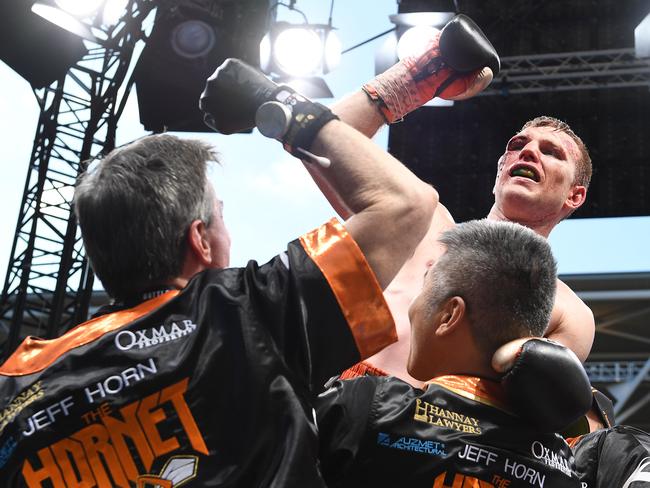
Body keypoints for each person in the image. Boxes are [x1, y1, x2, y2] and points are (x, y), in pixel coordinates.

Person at [0, 47, 498, 485]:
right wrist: (281, 103)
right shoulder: (244, 313)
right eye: (220, 216)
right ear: (200, 240)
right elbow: (404, 204)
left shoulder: (18, 382)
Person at [329, 30, 595, 385]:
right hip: (338, 409)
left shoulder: (569, 312)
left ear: (574, 196)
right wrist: (412, 82)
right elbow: (326, 139)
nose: (529, 151)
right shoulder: (422, 223)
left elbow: (529, 412)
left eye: (552, 152)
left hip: (448, 434)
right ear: (500, 169)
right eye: (518, 144)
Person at [317, 219, 585, 488]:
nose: (412, 307)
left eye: (423, 289)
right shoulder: (564, 468)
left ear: (449, 315)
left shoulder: (369, 408)